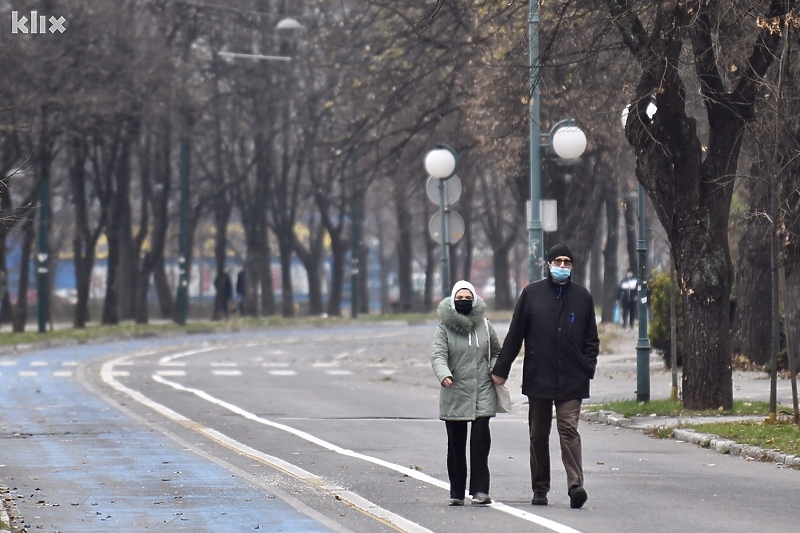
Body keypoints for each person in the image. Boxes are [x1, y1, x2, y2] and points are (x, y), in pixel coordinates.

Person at [491, 244, 599, 509]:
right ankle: (540, 488)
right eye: (558, 261)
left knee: (568, 429)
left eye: (567, 262)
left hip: (573, 378)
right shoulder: (532, 295)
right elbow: (515, 335)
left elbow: (591, 340)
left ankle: (575, 486)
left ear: (572, 266)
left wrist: (587, 367)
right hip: (539, 376)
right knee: (538, 434)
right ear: (549, 264)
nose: (563, 266)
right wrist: (501, 370)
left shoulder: (583, 297)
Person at [431, 280, 502, 507]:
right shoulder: (444, 328)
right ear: (453, 301)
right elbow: (438, 355)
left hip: (482, 389)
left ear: (474, 299)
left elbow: (496, 352)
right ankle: (457, 491)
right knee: (456, 443)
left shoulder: (485, 326)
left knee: (480, 441)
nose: (464, 302)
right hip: (455, 391)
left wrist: (495, 369)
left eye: (467, 297)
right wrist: (444, 375)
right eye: (459, 298)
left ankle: (481, 490)